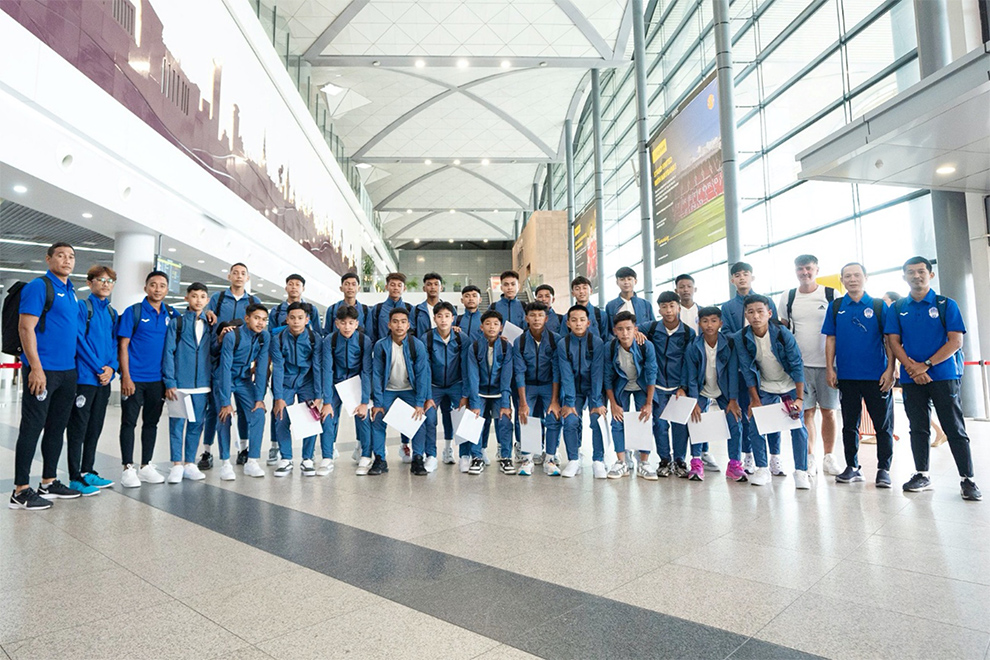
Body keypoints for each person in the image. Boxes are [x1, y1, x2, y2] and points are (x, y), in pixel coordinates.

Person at [884, 256, 981, 501]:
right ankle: (921, 474)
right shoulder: (897, 308)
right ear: (904, 276)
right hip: (911, 378)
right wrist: (912, 368)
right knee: (918, 427)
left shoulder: (946, 304)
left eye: (921, 271)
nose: (916, 276)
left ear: (930, 274)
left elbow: (956, 341)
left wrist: (925, 365)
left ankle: (967, 479)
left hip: (943, 375)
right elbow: (893, 341)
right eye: (910, 272)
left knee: (954, 427)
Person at [10, 242, 83, 509]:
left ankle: (48, 481)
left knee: (56, 427)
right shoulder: (39, 286)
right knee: (32, 427)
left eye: (72, 256)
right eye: (61, 255)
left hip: (67, 371)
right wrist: (36, 367)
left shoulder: (71, 291)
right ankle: (20, 490)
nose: (67, 260)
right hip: (43, 370)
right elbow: (25, 328)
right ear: (48, 258)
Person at [822, 263, 895, 488]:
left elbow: (890, 339)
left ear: (865, 277)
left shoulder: (879, 306)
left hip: (876, 376)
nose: (852, 279)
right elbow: (831, 339)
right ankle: (852, 466)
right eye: (847, 276)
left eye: (856, 275)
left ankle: (884, 469)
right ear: (842, 280)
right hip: (847, 376)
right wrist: (830, 368)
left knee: (883, 425)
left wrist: (891, 369)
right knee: (849, 425)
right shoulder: (836, 307)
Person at [737, 294, 811, 489]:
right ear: (746, 315)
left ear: (769, 313)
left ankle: (801, 471)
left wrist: (800, 398)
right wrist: (755, 400)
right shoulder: (741, 338)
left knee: (798, 427)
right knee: (756, 424)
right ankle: (762, 468)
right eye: (751, 312)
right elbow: (746, 369)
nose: (756, 316)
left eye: (760, 311)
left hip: (789, 385)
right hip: (765, 386)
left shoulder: (782, 333)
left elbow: (796, 364)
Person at [778, 255, 839, 477]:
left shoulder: (831, 294)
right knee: (806, 413)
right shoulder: (788, 296)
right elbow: (782, 329)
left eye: (809, 268)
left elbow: (839, 329)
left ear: (817, 269)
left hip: (828, 365)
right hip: (800, 367)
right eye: (800, 269)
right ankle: (810, 457)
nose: (805, 272)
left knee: (829, 412)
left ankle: (829, 457)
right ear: (795, 271)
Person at [117, 270, 178, 488]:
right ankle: (127, 468)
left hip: (158, 380)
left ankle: (146, 466)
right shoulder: (132, 312)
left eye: (162, 285)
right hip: (134, 379)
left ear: (167, 289)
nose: (157, 289)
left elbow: (190, 325)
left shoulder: (171, 314)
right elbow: (123, 346)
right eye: (153, 285)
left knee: (151, 423)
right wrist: (126, 377)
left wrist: (211, 316)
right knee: (129, 422)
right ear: (146, 288)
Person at [199, 263, 260, 470]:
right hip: (217, 359)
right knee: (215, 410)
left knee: (244, 410)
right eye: (235, 273)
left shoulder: (253, 301)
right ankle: (207, 451)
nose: (239, 276)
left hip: (242, 366)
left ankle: (244, 449)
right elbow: (208, 323)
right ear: (229, 276)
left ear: (248, 277)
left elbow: (258, 332)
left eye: (243, 273)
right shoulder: (218, 299)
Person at [720, 262, 780, 474]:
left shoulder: (766, 301)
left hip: (767, 368)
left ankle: (775, 456)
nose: (742, 278)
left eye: (746, 274)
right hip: (741, 368)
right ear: (732, 280)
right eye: (738, 275)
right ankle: (748, 456)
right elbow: (726, 334)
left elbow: (776, 330)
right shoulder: (727, 308)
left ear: (752, 277)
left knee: (772, 413)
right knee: (747, 413)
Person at [65, 265, 118, 495]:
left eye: (109, 281)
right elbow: (78, 340)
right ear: (90, 283)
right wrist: (99, 367)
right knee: (78, 428)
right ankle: (75, 477)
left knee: (95, 427)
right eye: (100, 280)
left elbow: (115, 344)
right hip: (86, 378)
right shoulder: (82, 307)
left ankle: (88, 471)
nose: (105, 284)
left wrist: (112, 369)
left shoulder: (111, 313)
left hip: (104, 380)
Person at [682, 307, 746, 482]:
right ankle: (696, 462)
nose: (709, 325)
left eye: (713, 321)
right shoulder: (693, 346)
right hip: (701, 390)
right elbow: (692, 377)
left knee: (735, 422)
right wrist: (694, 401)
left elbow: (733, 372)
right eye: (704, 321)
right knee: (695, 421)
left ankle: (734, 464)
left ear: (720, 323)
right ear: (699, 323)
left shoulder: (729, 344)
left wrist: (733, 400)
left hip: (724, 391)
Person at [638, 292, 695, 478]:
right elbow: (632, 330)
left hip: (678, 387)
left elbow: (689, 362)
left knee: (680, 425)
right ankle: (664, 460)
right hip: (658, 387)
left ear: (678, 307)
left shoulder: (688, 333)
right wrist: (637, 333)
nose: (668, 310)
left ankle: (679, 460)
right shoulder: (651, 328)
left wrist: (684, 386)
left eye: (671, 306)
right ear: (659, 309)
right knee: (659, 425)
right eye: (664, 306)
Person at [161, 282, 212, 483]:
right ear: (186, 298)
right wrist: (170, 381)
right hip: (180, 384)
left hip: (203, 385)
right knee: (176, 424)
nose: (198, 300)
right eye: (194, 296)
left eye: (202, 296)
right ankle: (176, 464)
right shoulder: (177, 323)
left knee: (196, 425)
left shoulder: (210, 324)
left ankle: (190, 463)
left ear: (207, 301)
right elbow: (168, 352)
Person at [370, 307, 431, 476]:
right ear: (389, 324)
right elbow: (376, 374)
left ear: (408, 325)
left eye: (403, 322)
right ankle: (380, 459)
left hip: (409, 390)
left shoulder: (416, 345)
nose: (399, 325)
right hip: (387, 390)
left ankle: (418, 458)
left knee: (418, 419)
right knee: (377, 419)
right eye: (395, 322)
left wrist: (419, 403)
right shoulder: (381, 345)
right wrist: (378, 403)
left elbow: (422, 375)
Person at [215, 303, 271, 479]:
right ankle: (225, 463)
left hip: (244, 379)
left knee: (259, 413)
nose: (260, 323)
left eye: (264, 320)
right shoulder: (233, 336)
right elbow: (224, 367)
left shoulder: (264, 337)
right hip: (224, 378)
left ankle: (252, 461)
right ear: (247, 318)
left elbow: (262, 368)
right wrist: (225, 402)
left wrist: (259, 398)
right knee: (224, 417)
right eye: (256, 318)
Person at [884, 290, 945, 448]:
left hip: (905, 367)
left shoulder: (901, 314)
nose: (883, 304)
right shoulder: (891, 318)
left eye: (886, 300)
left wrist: (913, 368)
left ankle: (939, 430)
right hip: (906, 367)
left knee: (910, 406)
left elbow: (897, 344)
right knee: (911, 409)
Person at [271, 302, 323, 477]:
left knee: (311, 418)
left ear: (307, 320)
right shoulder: (278, 339)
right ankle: (286, 458)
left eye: (300, 318)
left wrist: (318, 395)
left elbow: (317, 367)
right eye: (292, 318)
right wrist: (278, 397)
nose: (296, 321)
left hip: (307, 382)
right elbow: (277, 367)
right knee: (280, 417)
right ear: (286, 319)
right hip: (285, 381)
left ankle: (307, 458)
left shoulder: (314, 338)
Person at [604, 311, 658, 480]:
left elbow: (651, 374)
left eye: (628, 328)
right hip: (622, 387)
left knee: (644, 419)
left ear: (635, 329)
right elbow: (607, 376)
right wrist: (612, 404)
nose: (625, 333)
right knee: (618, 421)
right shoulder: (611, 347)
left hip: (641, 386)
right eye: (620, 329)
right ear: (615, 331)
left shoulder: (646, 346)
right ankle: (622, 462)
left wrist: (649, 403)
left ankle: (644, 462)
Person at [321, 305, 374, 476]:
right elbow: (327, 370)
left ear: (357, 323)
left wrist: (365, 401)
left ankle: (365, 455)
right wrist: (327, 401)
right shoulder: (330, 340)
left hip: (356, 382)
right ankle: (327, 457)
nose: (347, 327)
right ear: (336, 323)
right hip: (336, 383)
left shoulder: (363, 340)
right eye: (343, 323)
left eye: (351, 323)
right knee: (328, 417)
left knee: (363, 417)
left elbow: (366, 371)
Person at [369, 272, 416, 463]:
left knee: (407, 411)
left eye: (399, 285)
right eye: (392, 285)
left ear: (404, 288)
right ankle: (379, 452)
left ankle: (405, 444)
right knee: (380, 411)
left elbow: (416, 336)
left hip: (405, 361)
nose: (396, 288)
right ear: (387, 286)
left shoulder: (411, 309)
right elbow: (371, 334)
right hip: (383, 357)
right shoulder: (378, 309)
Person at [513, 301, 562, 477]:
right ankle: (527, 459)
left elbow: (557, 371)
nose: (536, 319)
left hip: (550, 385)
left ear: (546, 318)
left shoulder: (555, 340)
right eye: (532, 315)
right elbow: (519, 372)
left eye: (540, 315)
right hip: (529, 386)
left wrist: (555, 400)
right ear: (526, 318)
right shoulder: (520, 341)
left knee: (553, 418)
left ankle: (550, 457)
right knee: (526, 417)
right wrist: (523, 402)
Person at [555, 305, 605, 478]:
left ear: (588, 322)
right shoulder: (563, 344)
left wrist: (597, 402)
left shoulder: (597, 343)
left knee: (596, 419)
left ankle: (598, 460)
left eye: (582, 320)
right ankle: (573, 459)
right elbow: (566, 375)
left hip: (593, 389)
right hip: (573, 390)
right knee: (570, 420)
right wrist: (569, 402)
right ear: (568, 323)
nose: (578, 324)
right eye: (574, 320)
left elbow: (598, 373)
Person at [463, 310, 515, 474]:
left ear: (501, 328)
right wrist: (475, 403)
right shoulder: (475, 346)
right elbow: (472, 375)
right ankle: (476, 457)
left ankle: (506, 457)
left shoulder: (507, 347)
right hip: (480, 392)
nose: (491, 327)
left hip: (500, 392)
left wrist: (506, 403)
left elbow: (507, 376)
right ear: (481, 327)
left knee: (505, 422)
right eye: (488, 323)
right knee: (475, 421)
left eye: (495, 324)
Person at [424, 302, 466, 469]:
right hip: (434, 386)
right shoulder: (426, 339)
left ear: (453, 319)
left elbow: (467, 367)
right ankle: (431, 455)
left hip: (456, 384)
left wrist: (465, 393)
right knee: (429, 419)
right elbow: (424, 370)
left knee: (461, 418)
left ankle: (462, 454)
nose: (443, 320)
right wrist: (427, 395)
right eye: (439, 316)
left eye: (447, 316)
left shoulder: (462, 338)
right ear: (434, 318)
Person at [605, 266, 655, 334]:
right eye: (622, 279)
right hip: (619, 343)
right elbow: (608, 330)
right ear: (617, 282)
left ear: (635, 281)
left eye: (629, 279)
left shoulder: (645, 304)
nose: (626, 282)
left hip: (642, 342)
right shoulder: (610, 306)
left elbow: (653, 326)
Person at [414, 272, 443, 337]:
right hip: (423, 345)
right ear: (424, 288)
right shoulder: (417, 310)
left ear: (441, 288)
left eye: (436, 284)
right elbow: (411, 331)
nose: (433, 287)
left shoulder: (449, 309)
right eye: (429, 284)